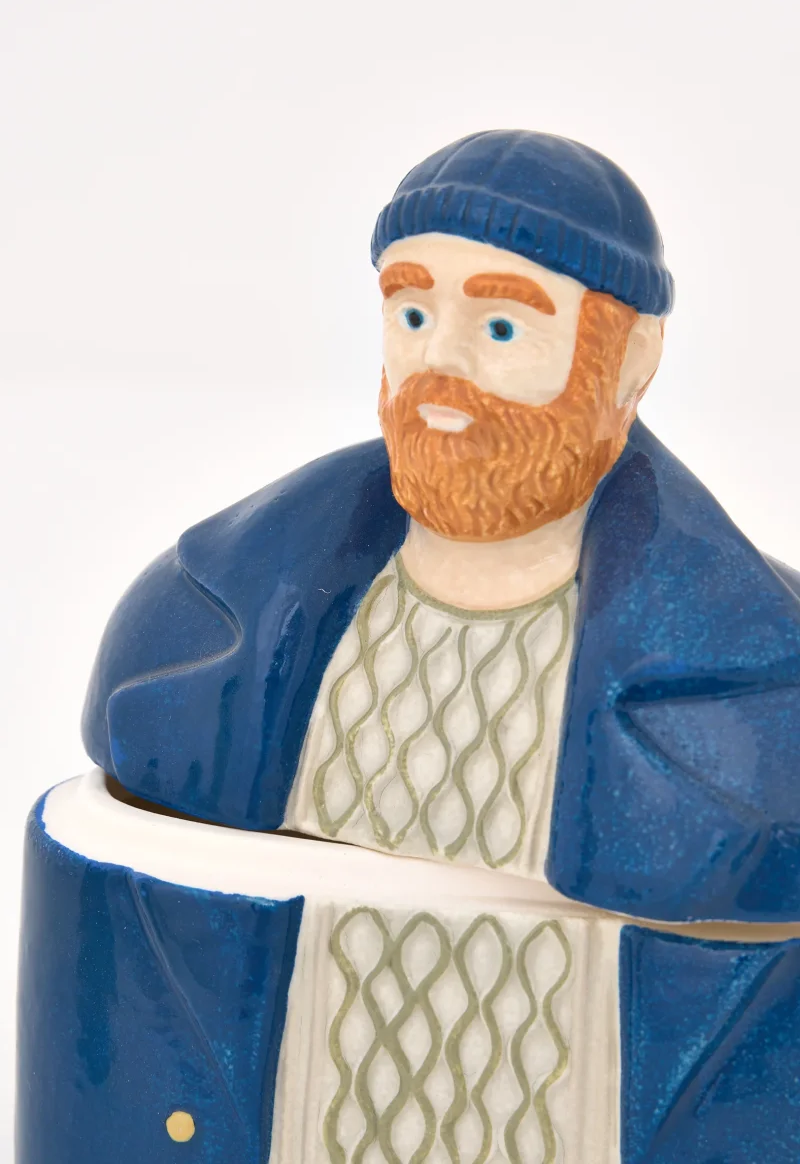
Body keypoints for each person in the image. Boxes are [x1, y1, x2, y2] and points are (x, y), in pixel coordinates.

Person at [18, 131, 800, 1164]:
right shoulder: (209, 624)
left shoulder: (745, 687)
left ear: (627, 361)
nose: (442, 365)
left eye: (502, 325)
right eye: (414, 314)